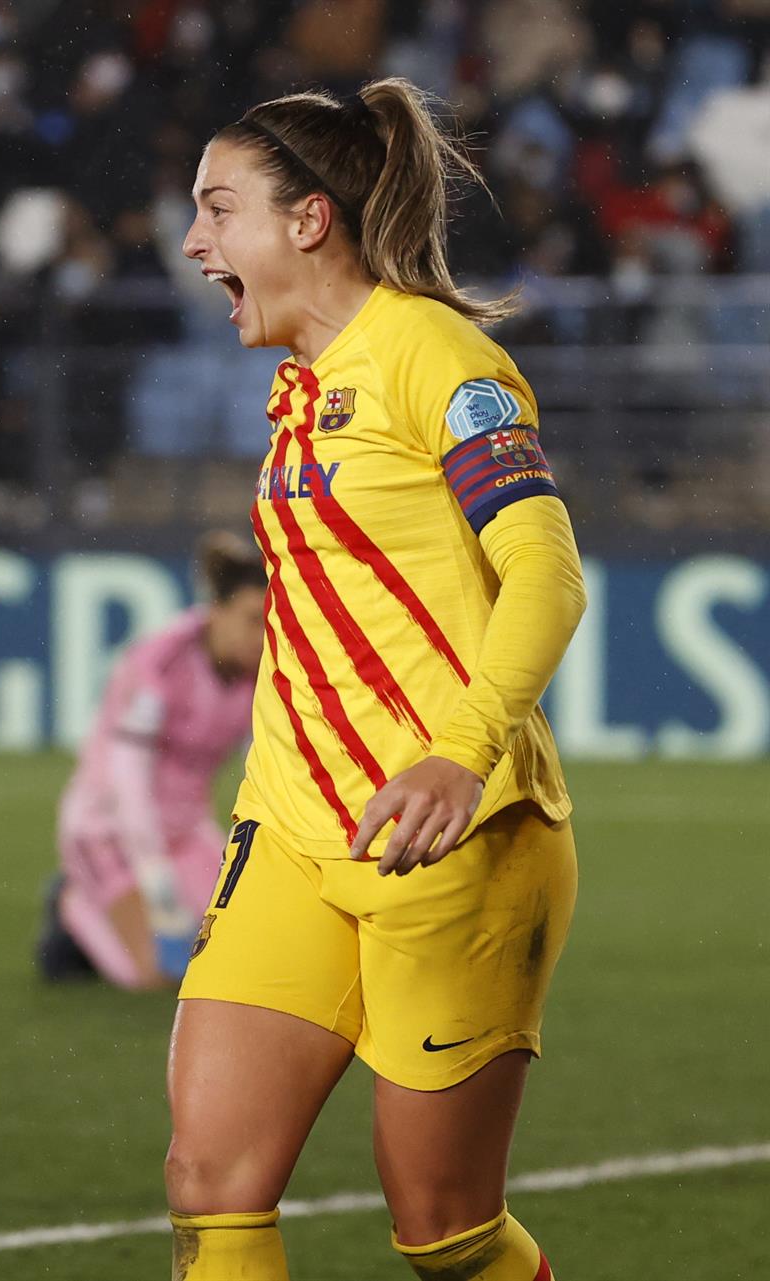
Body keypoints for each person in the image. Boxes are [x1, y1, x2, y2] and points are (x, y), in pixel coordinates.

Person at [168, 78, 585, 1281]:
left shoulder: (438, 359)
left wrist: (461, 752)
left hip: (454, 839)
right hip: (295, 828)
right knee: (211, 1184)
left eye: (219, 209)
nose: (196, 242)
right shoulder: (300, 388)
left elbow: (547, 578)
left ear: (309, 221)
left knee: (446, 1236)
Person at [36, 533, 263, 990]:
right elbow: (128, 782)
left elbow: (259, 767)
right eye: (252, 621)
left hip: (184, 829)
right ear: (215, 612)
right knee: (151, 976)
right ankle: (71, 910)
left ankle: (116, 915)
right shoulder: (161, 664)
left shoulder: (261, 675)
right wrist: (156, 876)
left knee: (232, 952)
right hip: (109, 830)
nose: (263, 637)